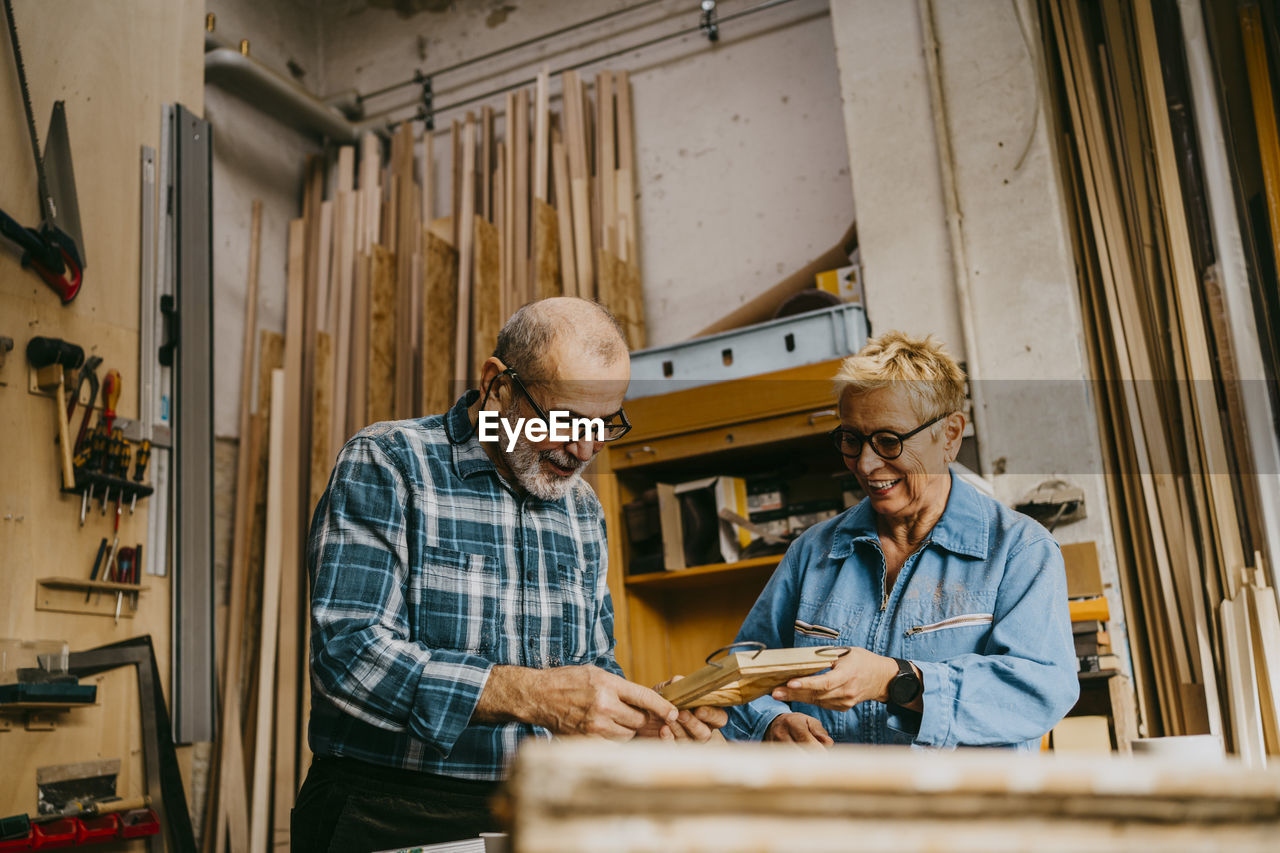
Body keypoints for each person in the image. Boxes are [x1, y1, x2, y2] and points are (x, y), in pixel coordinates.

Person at [293, 298, 725, 852]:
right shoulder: (390, 463)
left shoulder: (582, 511)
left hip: (541, 810)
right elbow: (348, 654)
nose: (582, 450)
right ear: (497, 384)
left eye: (603, 425)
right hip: (388, 809)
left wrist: (635, 717)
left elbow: (590, 669)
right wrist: (529, 693)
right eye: (565, 420)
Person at [723, 331, 1078, 749]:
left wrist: (896, 681)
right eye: (851, 440)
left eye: (889, 441)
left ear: (949, 435)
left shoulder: (1019, 551)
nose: (866, 464)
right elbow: (742, 669)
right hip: (835, 808)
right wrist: (771, 722)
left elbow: (1037, 691)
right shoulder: (813, 552)